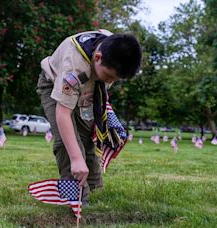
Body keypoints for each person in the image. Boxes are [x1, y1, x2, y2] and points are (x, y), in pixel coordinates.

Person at [36, 29, 142, 205]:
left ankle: (94, 187)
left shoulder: (111, 45)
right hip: (54, 86)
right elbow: (63, 114)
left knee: (88, 139)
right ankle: (75, 199)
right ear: (98, 57)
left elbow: (103, 34)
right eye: (108, 76)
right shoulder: (74, 67)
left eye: (115, 79)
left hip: (89, 90)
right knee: (67, 144)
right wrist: (77, 159)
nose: (110, 82)